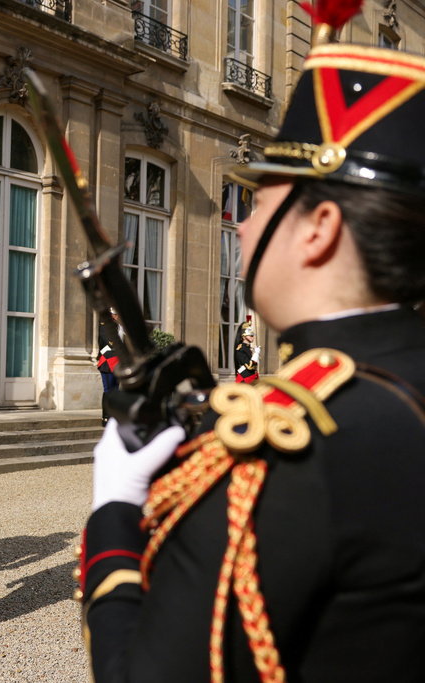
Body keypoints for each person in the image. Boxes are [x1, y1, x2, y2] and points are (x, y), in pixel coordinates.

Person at [80, 18, 425, 682]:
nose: (240, 222)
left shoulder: (287, 456)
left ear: (320, 228)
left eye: (261, 199)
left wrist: (117, 512)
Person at [97, 307, 122, 425]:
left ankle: (113, 416)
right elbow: (109, 342)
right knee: (108, 390)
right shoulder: (105, 324)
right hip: (107, 361)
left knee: (115, 390)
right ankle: (106, 417)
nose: (118, 317)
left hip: (117, 361)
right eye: (116, 314)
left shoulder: (117, 326)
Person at [233, 317, 260, 384]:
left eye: (253, 335)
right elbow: (249, 366)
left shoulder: (249, 348)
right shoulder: (241, 349)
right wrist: (256, 354)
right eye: (250, 335)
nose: (253, 337)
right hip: (244, 379)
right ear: (243, 337)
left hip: (252, 378)